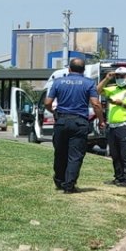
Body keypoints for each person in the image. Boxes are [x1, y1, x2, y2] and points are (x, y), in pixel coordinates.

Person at [45, 58, 105, 193]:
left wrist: (54, 112)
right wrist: (101, 120)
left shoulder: (58, 82)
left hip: (61, 121)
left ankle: (59, 181)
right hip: (79, 122)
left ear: (69, 69)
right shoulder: (89, 83)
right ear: (83, 70)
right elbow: (96, 104)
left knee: (60, 153)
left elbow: (48, 102)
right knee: (75, 155)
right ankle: (69, 185)